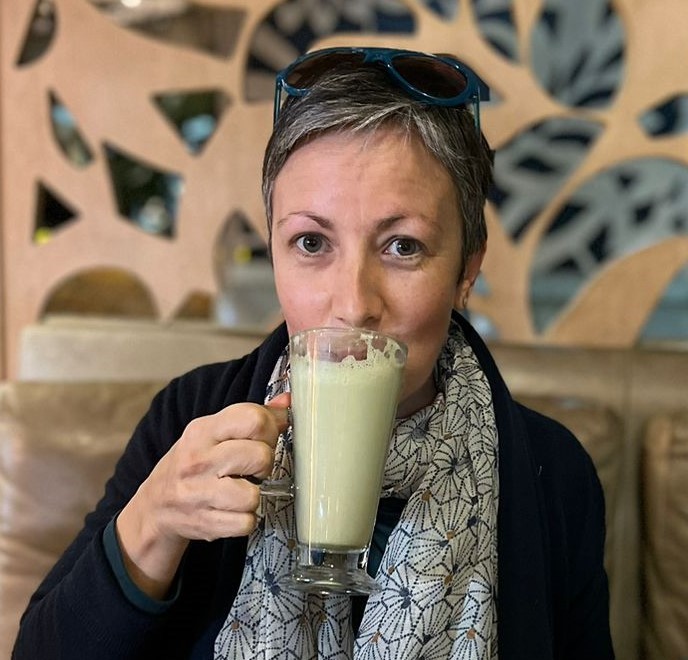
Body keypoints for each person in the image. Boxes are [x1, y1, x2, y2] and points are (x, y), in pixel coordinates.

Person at [13, 47, 614, 660]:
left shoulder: (551, 474)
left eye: (403, 246)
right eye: (310, 242)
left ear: (466, 270)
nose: (353, 305)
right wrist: (152, 523)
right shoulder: (193, 416)